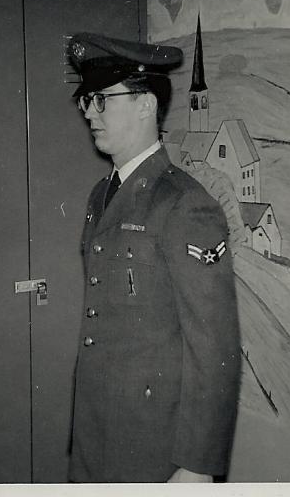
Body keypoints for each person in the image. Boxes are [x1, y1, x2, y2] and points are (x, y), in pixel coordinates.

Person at [66, 32, 241, 483]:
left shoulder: (185, 205)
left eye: (102, 100)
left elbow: (215, 347)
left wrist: (198, 467)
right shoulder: (101, 194)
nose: (89, 112)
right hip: (96, 428)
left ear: (145, 104)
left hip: (153, 445)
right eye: (86, 100)